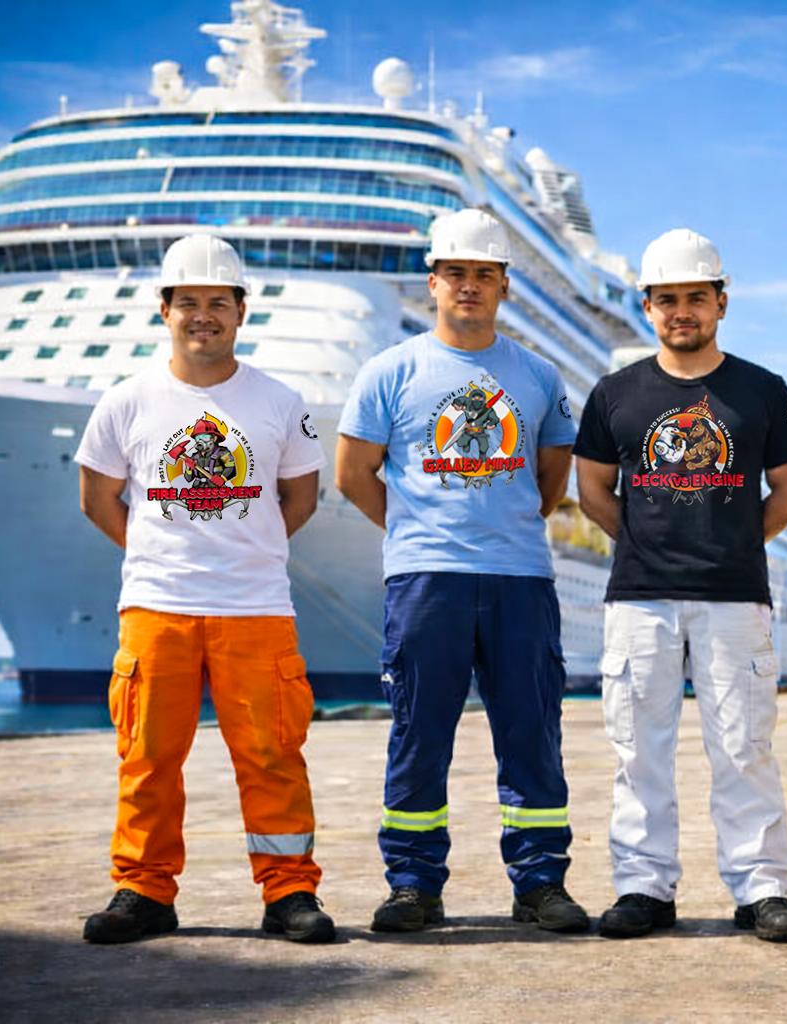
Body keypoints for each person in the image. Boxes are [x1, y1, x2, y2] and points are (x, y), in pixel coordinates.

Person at [335, 208, 588, 934]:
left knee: (531, 731)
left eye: (483, 274)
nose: (468, 286)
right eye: (456, 274)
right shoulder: (390, 371)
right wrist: (420, 532)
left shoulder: (539, 375)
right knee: (419, 731)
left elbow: (550, 482)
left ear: (504, 284)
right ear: (434, 281)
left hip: (521, 580)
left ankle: (540, 881)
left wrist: (487, 527)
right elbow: (353, 475)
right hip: (424, 581)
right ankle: (414, 883)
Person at [75, 234, 333, 944]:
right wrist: (161, 552)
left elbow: (301, 497)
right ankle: (143, 892)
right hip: (157, 609)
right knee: (148, 756)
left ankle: (289, 894)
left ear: (242, 311)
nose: (203, 315)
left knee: (273, 754)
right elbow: (97, 498)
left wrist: (243, 551)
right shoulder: (127, 400)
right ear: (164, 310)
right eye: (188, 301)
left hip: (255, 609)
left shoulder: (280, 401)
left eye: (218, 302)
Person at [574, 229, 787, 942]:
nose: (683, 311)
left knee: (744, 747)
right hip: (640, 598)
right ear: (647, 306)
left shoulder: (763, 390)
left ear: (721, 303)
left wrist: (730, 543)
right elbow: (591, 488)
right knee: (637, 747)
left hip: (735, 597)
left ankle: (762, 887)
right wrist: (650, 543)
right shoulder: (615, 392)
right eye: (668, 299)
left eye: (696, 298)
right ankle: (643, 887)